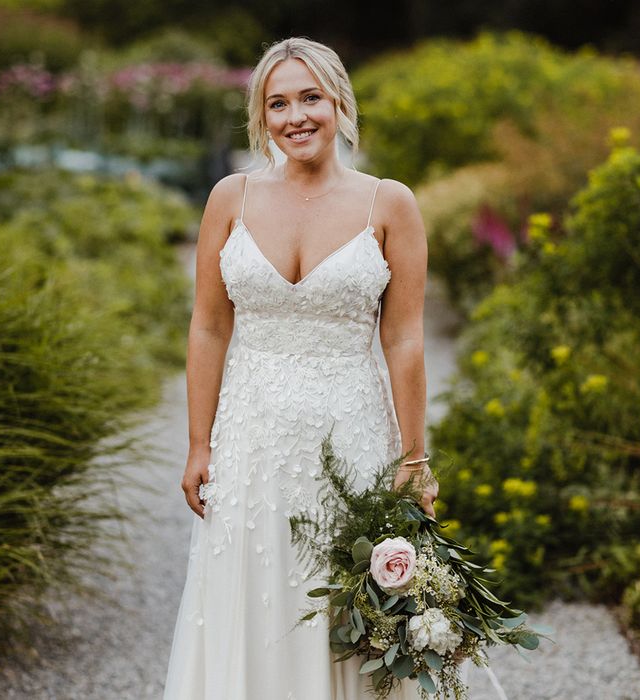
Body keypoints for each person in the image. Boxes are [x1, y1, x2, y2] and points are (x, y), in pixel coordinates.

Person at [163, 36, 437, 699]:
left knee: (347, 611)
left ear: (339, 101)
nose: (296, 117)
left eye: (310, 97)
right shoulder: (230, 199)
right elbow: (208, 326)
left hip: (353, 440)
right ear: (262, 117)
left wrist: (414, 458)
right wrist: (199, 444)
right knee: (250, 597)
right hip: (249, 441)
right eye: (278, 103)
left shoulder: (388, 204)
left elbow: (403, 339)